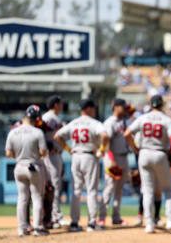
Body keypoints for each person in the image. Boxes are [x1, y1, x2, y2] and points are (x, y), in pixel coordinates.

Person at [124, 95, 171, 234]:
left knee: (147, 190)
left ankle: (149, 224)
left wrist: (135, 148)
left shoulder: (143, 118)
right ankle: (170, 222)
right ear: (162, 105)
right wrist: (169, 154)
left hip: (144, 153)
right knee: (167, 189)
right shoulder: (167, 120)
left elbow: (127, 134)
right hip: (160, 153)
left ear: (151, 104)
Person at [54, 99, 109, 232]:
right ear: (89, 109)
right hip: (89, 156)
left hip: (76, 156)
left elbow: (57, 136)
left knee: (76, 191)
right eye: (93, 108)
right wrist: (101, 149)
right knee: (92, 190)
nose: (95, 111)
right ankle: (91, 223)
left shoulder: (74, 122)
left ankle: (74, 222)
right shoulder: (94, 123)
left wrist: (68, 149)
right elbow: (105, 135)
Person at [5, 105, 49, 237]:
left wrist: (19, 157)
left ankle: (21, 229)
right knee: (36, 197)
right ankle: (36, 227)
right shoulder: (37, 132)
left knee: (22, 198)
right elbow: (43, 152)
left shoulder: (13, 132)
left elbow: (8, 153)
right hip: (33, 166)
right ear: (35, 119)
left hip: (19, 167)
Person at [99, 98, 129, 228]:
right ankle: (101, 218)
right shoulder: (109, 122)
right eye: (122, 107)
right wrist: (111, 160)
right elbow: (106, 143)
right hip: (112, 157)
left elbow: (131, 111)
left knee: (119, 190)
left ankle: (116, 217)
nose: (125, 109)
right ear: (115, 107)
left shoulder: (123, 121)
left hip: (123, 157)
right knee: (109, 188)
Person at [42, 95, 70, 229]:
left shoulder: (56, 118)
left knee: (54, 186)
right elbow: (39, 132)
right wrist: (48, 146)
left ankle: (52, 217)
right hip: (50, 155)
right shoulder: (48, 117)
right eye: (61, 103)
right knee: (54, 186)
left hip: (57, 155)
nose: (62, 105)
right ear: (56, 105)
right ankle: (56, 217)